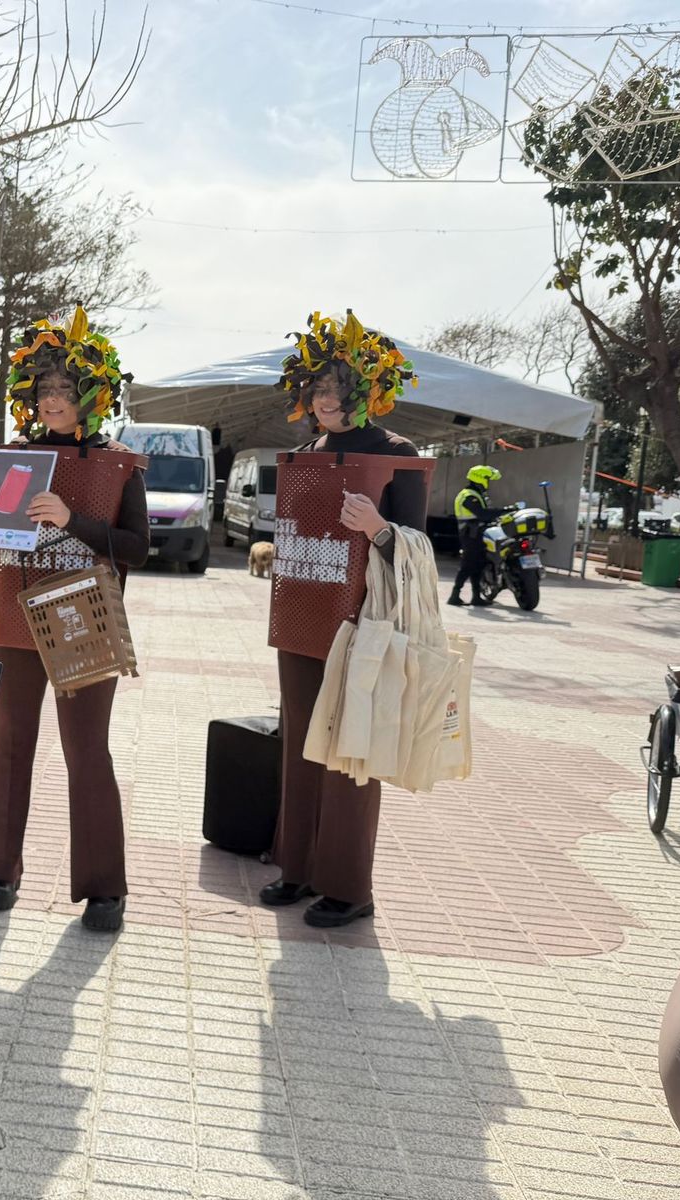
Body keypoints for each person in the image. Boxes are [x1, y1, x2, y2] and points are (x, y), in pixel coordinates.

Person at [0, 306, 148, 933]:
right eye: (44, 390)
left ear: (92, 395)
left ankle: (105, 889)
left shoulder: (119, 464)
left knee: (86, 749)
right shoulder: (15, 458)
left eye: (65, 390)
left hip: (84, 616)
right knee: (13, 744)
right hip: (15, 619)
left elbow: (137, 547)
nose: (52, 400)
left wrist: (74, 522)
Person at [261, 309, 425, 929]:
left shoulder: (395, 454)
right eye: (316, 387)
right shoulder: (305, 453)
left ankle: (349, 887)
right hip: (304, 613)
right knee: (302, 743)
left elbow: (419, 546)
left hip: (365, 619)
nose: (323, 399)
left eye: (336, 388)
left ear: (367, 391)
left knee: (353, 747)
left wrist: (378, 530)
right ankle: (296, 870)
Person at [450, 464, 501, 607]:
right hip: (470, 535)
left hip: (476, 535)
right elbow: (482, 514)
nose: (488, 483)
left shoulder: (477, 494)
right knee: (467, 565)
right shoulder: (468, 496)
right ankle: (455, 595)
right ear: (480, 478)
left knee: (477, 565)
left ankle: (476, 596)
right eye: (487, 479)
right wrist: (505, 510)